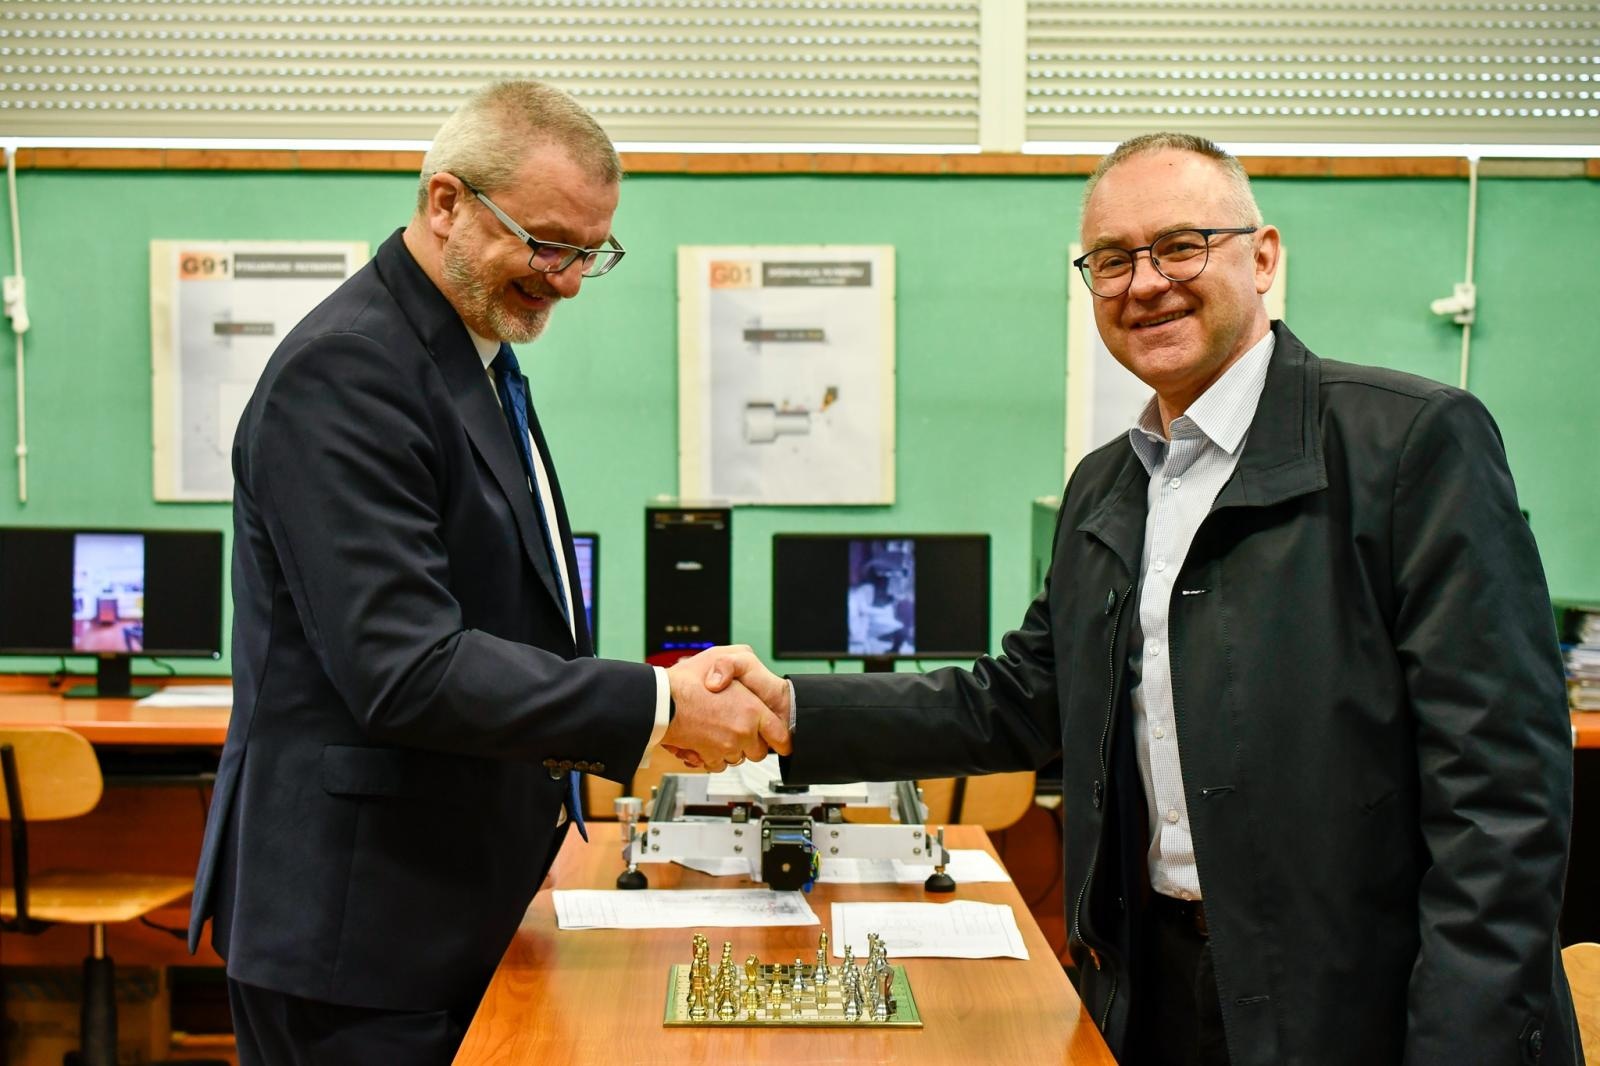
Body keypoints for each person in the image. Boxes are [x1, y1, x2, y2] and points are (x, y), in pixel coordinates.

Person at [705, 133, 1580, 1065]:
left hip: (1366, 1003)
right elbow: (1021, 700)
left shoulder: (1408, 444)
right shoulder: (1109, 487)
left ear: (1264, 255)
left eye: (1181, 245)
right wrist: (791, 707)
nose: (1145, 282)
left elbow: (1502, 799)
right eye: (1113, 261)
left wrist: (1464, 1043)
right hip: (1157, 988)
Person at [187, 80, 788, 1066]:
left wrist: (641, 719)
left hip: (444, 901)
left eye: (590, 252)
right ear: (444, 202)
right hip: (360, 933)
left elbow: (504, 619)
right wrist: (649, 706)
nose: (568, 280)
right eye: (546, 243)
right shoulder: (348, 371)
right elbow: (403, 667)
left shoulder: (468, 355)